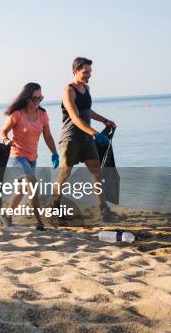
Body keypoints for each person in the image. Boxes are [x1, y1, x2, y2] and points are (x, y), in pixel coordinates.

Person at [52, 57, 118, 222]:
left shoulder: (86, 88)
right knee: (65, 173)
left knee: (97, 172)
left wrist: (104, 120)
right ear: (75, 71)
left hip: (86, 139)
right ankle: (55, 206)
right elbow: (75, 118)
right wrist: (96, 134)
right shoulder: (68, 90)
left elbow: (87, 111)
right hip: (71, 139)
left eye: (90, 72)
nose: (89, 75)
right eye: (85, 72)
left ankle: (104, 210)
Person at [0, 83, 59, 230]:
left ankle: (6, 215)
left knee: (21, 190)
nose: (37, 102)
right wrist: (6, 140)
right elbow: (3, 132)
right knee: (33, 187)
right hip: (17, 156)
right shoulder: (18, 114)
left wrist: (54, 153)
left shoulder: (43, 114)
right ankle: (39, 223)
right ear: (26, 98)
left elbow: (48, 136)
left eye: (40, 98)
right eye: (34, 98)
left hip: (32, 157)